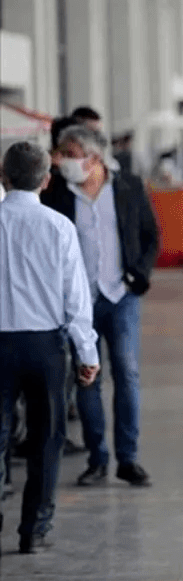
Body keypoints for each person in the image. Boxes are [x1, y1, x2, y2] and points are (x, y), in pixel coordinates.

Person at [42, 126, 158, 486]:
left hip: (121, 296)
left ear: (93, 158)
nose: (62, 161)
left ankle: (128, 457)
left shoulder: (128, 187)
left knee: (127, 373)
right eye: (60, 153)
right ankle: (97, 459)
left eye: (70, 153)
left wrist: (137, 274)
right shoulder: (58, 194)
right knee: (87, 378)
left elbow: (150, 235)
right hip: (79, 302)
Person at [0, 142, 100, 554]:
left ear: (3, 177)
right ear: (46, 179)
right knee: (46, 436)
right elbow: (75, 298)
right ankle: (33, 529)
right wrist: (87, 352)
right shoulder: (59, 226)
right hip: (45, 346)